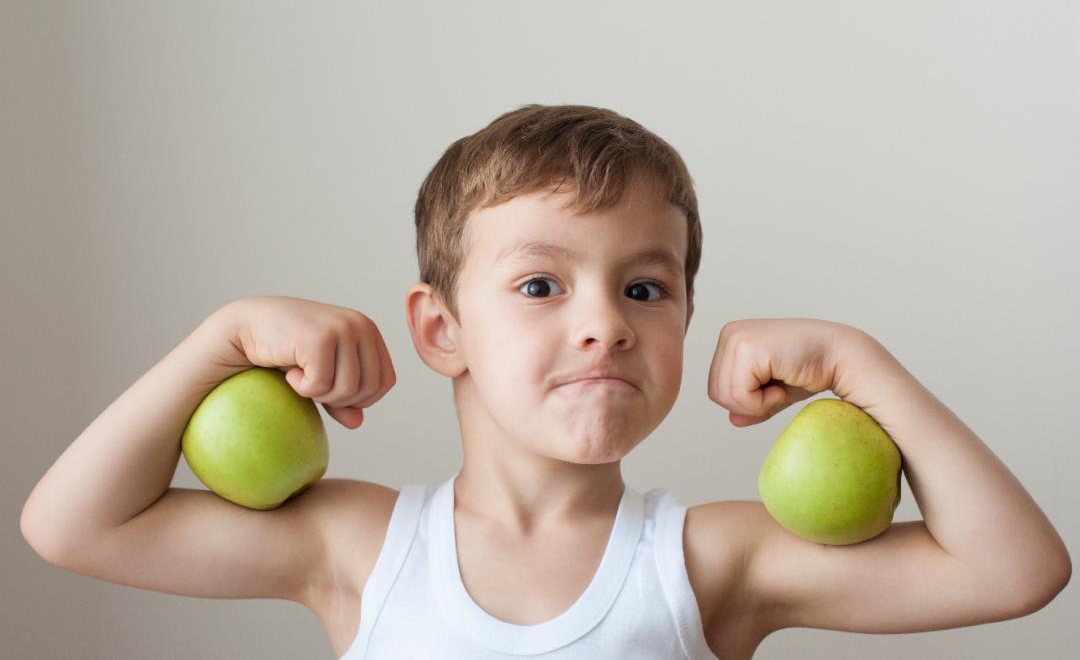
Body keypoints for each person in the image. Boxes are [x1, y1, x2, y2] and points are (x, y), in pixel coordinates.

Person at [20, 104, 1071, 659]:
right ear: (441, 331)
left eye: (646, 289)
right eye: (539, 284)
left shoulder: (708, 562)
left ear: (687, 323)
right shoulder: (360, 548)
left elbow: (1015, 572)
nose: (605, 325)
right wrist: (221, 339)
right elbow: (73, 527)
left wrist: (859, 364)